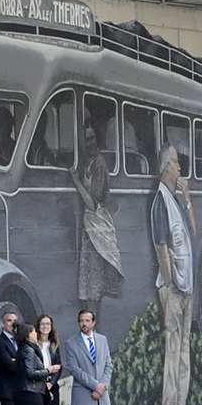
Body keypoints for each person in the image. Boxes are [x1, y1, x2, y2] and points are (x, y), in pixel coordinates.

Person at [151, 146, 198, 405]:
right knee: (172, 362)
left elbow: (192, 234)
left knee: (183, 361)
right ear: (165, 167)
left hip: (186, 287)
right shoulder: (159, 202)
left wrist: (188, 198)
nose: (180, 167)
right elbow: (161, 247)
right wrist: (170, 285)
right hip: (175, 290)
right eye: (176, 163)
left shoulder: (175, 201)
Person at [72, 119, 123, 320]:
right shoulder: (89, 162)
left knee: (93, 285)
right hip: (88, 228)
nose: (89, 142)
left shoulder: (100, 164)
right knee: (87, 285)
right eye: (86, 139)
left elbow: (92, 203)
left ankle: (93, 329)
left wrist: (75, 180)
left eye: (92, 138)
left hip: (98, 226)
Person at [31, 314, 64, 405]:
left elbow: (59, 367)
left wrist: (50, 384)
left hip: (51, 388)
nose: (45, 327)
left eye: (48, 324)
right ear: (38, 326)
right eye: (43, 324)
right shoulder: (32, 345)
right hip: (36, 387)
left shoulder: (54, 345)